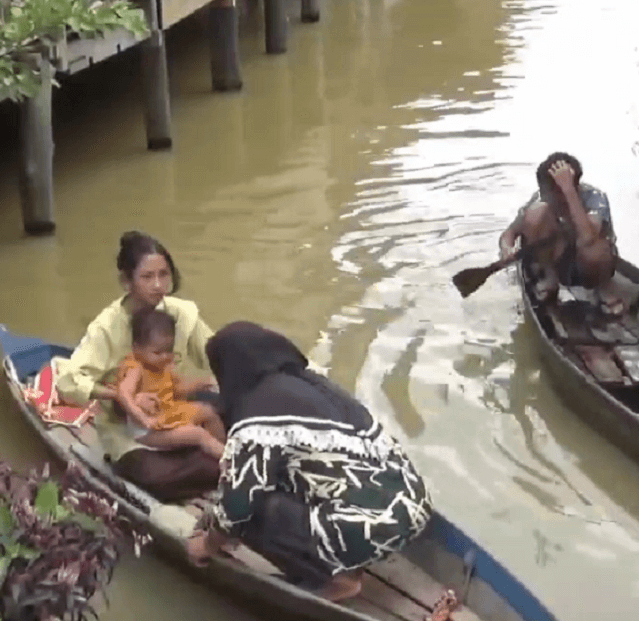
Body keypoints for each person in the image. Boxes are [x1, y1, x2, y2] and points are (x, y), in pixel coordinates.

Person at [185, 322, 433, 603]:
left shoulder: (256, 415)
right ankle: (348, 554)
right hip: (413, 506)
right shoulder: (313, 382)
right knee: (288, 477)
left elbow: (238, 504)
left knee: (251, 511)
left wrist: (206, 544)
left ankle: (340, 579)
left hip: (373, 525)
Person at [54, 231, 224, 503]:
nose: (158, 285)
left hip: (172, 404)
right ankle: (211, 462)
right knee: (156, 476)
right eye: (147, 277)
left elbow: (215, 351)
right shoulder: (107, 327)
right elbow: (68, 381)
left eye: (164, 275)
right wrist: (125, 396)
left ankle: (206, 455)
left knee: (228, 406)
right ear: (126, 281)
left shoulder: (180, 313)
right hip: (129, 430)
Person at [497, 152, 624, 314]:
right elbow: (509, 234)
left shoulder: (594, 198)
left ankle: (602, 287)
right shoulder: (541, 199)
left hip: (592, 266)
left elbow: (587, 237)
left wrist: (569, 191)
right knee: (536, 213)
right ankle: (549, 279)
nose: (551, 197)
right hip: (558, 263)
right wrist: (507, 250)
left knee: (592, 246)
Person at [117, 308, 227, 459]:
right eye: (157, 352)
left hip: (169, 412)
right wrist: (143, 418)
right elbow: (123, 393)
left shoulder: (162, 366)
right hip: (149, 430)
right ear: (137, 349)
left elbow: (176, 391)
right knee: (198, 434)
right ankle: (233, 464)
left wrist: (200, 383)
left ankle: (224, 448)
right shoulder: (136, 368)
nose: (164, 356)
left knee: (208, 412)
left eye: (168, 350)